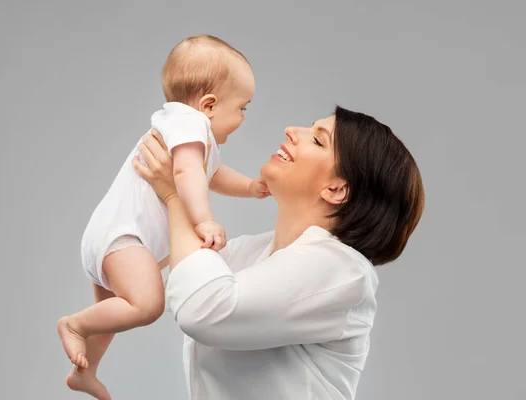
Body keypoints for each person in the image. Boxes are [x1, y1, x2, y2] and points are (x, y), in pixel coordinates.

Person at [132, 105, 425, 399]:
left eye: (318, 140)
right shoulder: (253, 251)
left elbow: (202, 310)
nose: (292, 130)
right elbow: (150, 286)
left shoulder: (343, 269)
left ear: (336, 189)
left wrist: (176, 193)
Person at [57, 35, 269, 399]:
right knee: (148, 304)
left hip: (111, 236)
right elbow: (187, 176)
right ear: (209, 105)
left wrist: (250, 186)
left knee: (111, 316)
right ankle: (72, 324)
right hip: (123, 239)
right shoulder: (191, 125)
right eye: (242, 108)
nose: (243, 118)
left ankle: (85, 371)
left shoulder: (184, 129)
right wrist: (203, 220)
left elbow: (210, 175)